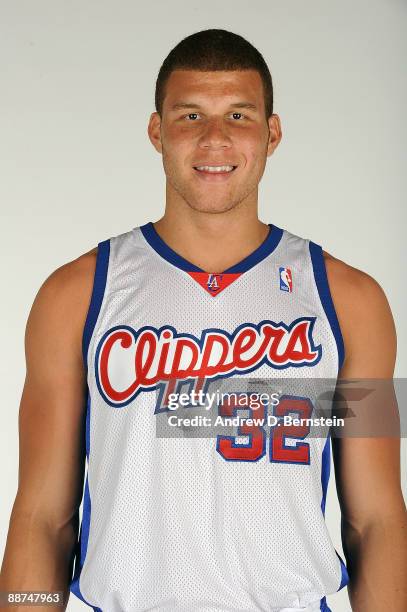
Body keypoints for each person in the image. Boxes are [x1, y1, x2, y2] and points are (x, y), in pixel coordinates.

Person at [1, 28, 406, 612]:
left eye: (238, 115)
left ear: (272, 134)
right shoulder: (77, 294)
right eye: (190, 115)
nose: (215, 138)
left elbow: (376, 521)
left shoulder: (349, 301)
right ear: (157, 132)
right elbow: (42, 519)